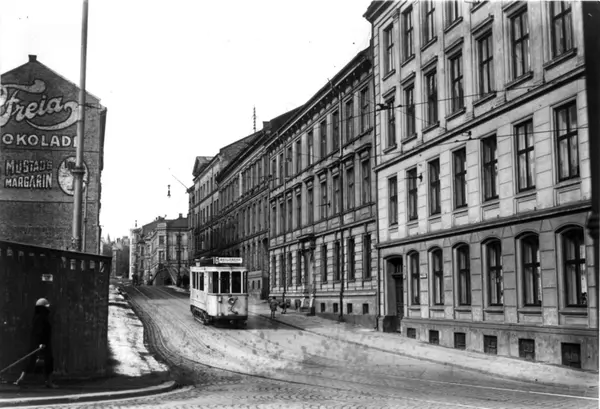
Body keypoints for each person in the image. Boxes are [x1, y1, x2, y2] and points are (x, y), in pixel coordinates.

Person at [14, 298, 57, 388]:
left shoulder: (39, 317)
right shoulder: (40, 318)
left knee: (42, 361)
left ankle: (22, 379)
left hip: (41, 343)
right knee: (35, 360)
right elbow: (39, 332)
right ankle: (21, 379)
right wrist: (41, 343)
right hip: (41, 343)